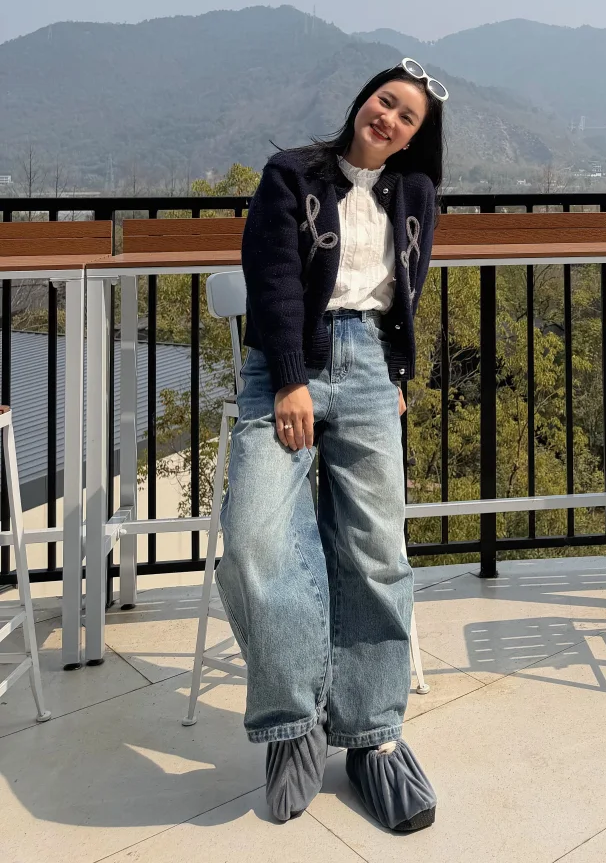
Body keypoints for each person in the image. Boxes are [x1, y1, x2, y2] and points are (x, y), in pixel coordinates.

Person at [217, 59, 448, 830]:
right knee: (254, 539)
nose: (390, 118)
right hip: (289, 367)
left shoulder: (416, 193)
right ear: (362, 101)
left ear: (415, 137)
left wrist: (398, 372)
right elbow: (272, 278)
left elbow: (407, 285)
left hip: (373, 367)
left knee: (375, 551)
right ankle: (295, 719)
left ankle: (374, 735)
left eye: (407, 117)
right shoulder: (293, 175)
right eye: (386, 101)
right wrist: (290, 379)